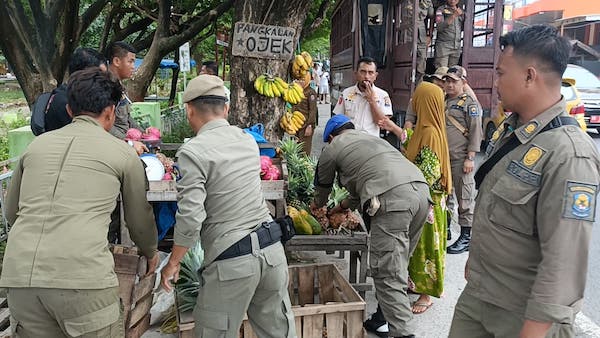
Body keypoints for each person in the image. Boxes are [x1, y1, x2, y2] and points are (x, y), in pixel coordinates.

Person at [449, 24, 600, 338]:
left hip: (523, 316)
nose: (496, 81)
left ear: (530, 76)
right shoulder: (513, 130)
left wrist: (533, 332)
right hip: (481, 295)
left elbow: (564, 259)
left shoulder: (569, 155)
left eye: (502, 73)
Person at [0, 68, 159, 337]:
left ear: (70, 110)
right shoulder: (123, 153)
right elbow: (138, 220)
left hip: (21, 278)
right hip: (83, 279)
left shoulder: (36, 147)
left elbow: (12, 211)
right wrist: (151, 252)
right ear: (110, 112)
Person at [160, 74, 296, 338]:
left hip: (232, 262)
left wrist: (173, 262)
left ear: (189, 110)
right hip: (272, 253)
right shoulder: (247, 140)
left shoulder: (192, 153)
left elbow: (191, 216)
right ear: (226, 108)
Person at [312, 115, 431, 338]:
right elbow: (362, 189)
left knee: (387, 272)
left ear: (329, 136)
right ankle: (380, 319)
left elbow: (322, 186)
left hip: (393, 200)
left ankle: (403, 334)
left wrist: (317, 206)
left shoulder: (333, 147)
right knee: (398, 263)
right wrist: (342, 207)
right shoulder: (371, 141)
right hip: (421, 194)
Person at [380, 81, 452, 316]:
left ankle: (426, 295)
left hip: (428, 200)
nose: (412, 102)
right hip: (420, 199)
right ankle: (417, 285)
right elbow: (410, 145)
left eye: (416, 99)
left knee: (427, 247)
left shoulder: (430, 133)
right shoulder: (424, 128)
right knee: (417, 244)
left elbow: (429, 173)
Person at [443, 65, 482, 254]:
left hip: (461, 159)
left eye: (454, 81)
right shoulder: (442, 100)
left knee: (464, 198)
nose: (449, 84)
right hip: (444, 158)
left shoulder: (470, 104)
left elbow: (476, 131)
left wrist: (471, 157)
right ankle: (446, 230)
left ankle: (466, 237)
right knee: (446, 196)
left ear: (463, 83)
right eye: (447, 80)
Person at [44, 47, 108, 132]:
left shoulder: (73, 95)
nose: (105, 81)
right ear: (83, 74)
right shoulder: (66, 102)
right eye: (99, 76)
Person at [333, 57, 393, 137]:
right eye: (363, 72)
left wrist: (372, 101)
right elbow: (338, 119)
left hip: (370, 143)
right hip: (349, 140)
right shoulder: (346, 93)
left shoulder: (383, 95)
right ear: (356, 74)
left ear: (375, 76)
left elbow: (382, 124)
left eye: (370, 72)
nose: (366, 76)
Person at [105, 41, 147, 155]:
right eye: (130, 61)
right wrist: (128, 142)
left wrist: (143, 133)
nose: (134, 66)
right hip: (114, 148)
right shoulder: (105, 87)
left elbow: (126, 117)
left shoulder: (119, 86)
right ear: (116, 61)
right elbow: (103, 124)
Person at [434, 0, 464, 69]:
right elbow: (439, 27)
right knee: (441, 72)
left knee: (452, 74)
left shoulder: (461, 11)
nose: (452, 0)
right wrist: (453, 15)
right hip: (443, 47)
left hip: (456, 47)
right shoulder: (440, 10)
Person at [291, 78, 318, 155]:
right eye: (298, 80)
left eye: (302, 80)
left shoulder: (310, 92)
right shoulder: (297, 91)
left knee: (305, 149)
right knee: (297, 148)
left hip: (306, 125)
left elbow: (313, 110)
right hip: (297, 124)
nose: (300, 82)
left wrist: (310, 125)